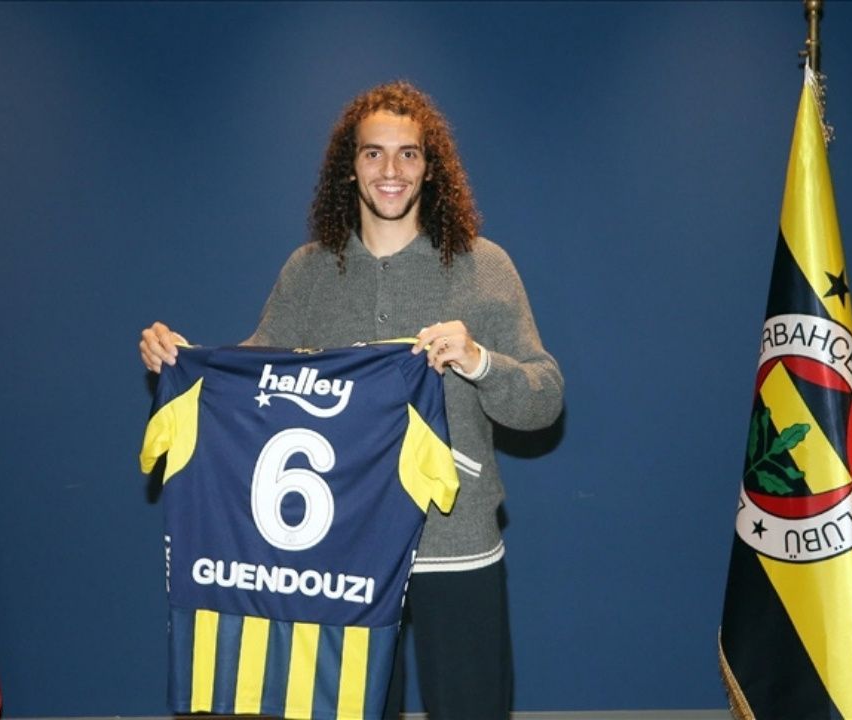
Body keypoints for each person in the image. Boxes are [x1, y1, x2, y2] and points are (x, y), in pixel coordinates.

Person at [140, 80, 563, 720]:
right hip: (343, 552)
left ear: (431, 168)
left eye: (408, 153)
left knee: (473, 708)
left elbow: (544, 399)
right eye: (373, 153)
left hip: (455, 541)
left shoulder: (484, 266)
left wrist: (479, 361)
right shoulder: (309, 271)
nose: (391, 170)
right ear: (349, 167)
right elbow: (254, 378)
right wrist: (181, 361)